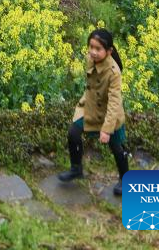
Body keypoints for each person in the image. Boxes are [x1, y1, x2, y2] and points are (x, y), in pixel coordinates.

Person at [58, 28, 129, 196]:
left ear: (109, 51)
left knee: (117, 148)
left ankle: (125, 179)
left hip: (110, 115)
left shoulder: (114, 72)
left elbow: (114, 102)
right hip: (90, 107)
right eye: (91, 47)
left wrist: (106, 129)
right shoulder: (91, 59)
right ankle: (76, 169)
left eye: (98, 49)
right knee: (73, 132)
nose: (93, 52)